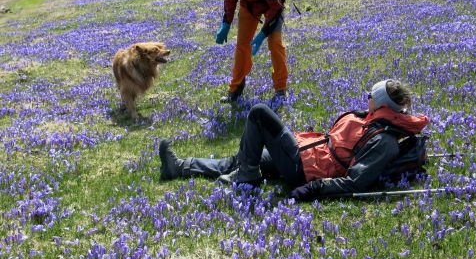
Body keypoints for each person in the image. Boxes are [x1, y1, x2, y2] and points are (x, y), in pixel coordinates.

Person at [159, 79, 430, 200]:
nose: (367, 97)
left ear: (380, 103)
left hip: (304, 169)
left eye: (371, 94)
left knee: (259, 114)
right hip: (305, 153)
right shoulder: (373, 119)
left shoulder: (384, 140)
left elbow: (356, 180)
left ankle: (249, 178)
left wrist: (314, 189)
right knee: (241, 159)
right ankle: (180, 167)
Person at [215, 0, 287, 103]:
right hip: (248, 7)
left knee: (275, 44)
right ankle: (235, 89)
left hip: (272, 8)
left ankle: (280, 88)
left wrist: (262, 34)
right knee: (242, 46)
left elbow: (276, 7)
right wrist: (226, 23)